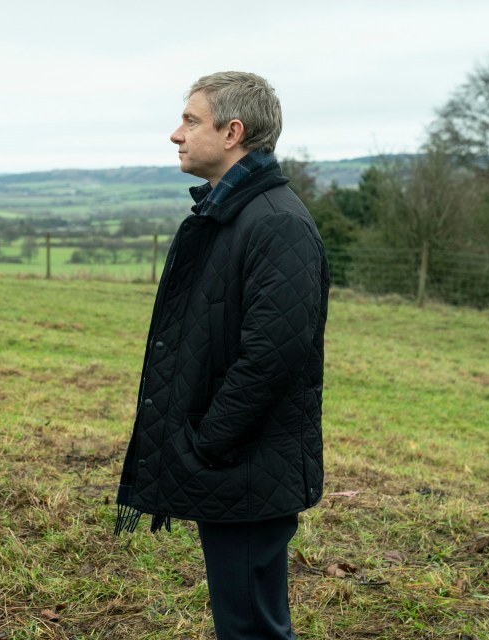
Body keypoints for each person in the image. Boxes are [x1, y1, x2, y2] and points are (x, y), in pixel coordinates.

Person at [115, 71, 329, 639]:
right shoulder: (231, 213)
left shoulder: (276, 223)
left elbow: (272, 358)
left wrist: (209, 440)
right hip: (237, 462)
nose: (175, 134)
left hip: (247, 463)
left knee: (252, 628)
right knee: (243, 622)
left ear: (232, 131)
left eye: (189, 120)